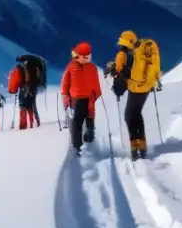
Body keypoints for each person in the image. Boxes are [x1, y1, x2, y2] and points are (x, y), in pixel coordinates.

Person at [106, 30, 161, 161]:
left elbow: (118, 69)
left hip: (135, 88)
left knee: (129, 116)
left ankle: (135, 147)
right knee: (137, 114)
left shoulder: (122, 54)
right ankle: (142, 146)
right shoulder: (141, 52)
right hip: (147, 87)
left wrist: (110, 68)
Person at [60, 41, 101, 154]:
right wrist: (96, 94)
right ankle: (86, 140)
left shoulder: (73, 66)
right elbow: (96, 84)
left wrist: (65, 95)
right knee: (88, 116)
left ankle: (78, 144)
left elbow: (65, 82)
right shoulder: (91, 67)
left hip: (80, 98)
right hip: (84, 98)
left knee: (78, 120)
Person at [8, 54, 47, 129]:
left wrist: (15, 89)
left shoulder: (23, 67)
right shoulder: (35, 65)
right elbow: (38, 77)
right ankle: (33, 123)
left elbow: (25, 79)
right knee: (31, 105)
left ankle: (23, 126)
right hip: (33, 87)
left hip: (25, 88)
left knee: (23, 106)